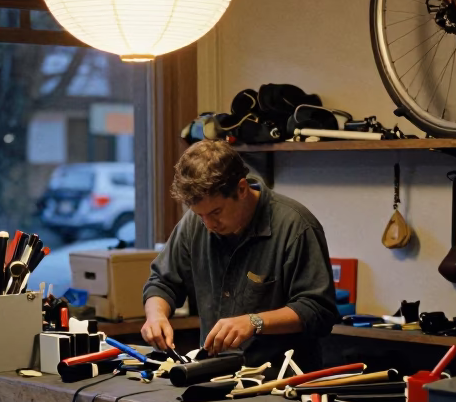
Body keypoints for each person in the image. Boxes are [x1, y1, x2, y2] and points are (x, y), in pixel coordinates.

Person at [141, 140, 338, 372]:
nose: (209, 224)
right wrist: (156, 317)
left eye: (216, 212)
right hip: (214, 374)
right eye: (200, 214)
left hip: (281, 381)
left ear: (241, 189)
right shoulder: (196, 223)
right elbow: (163, 282)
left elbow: (318, 310)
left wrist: (254, 322)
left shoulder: (295, 226)